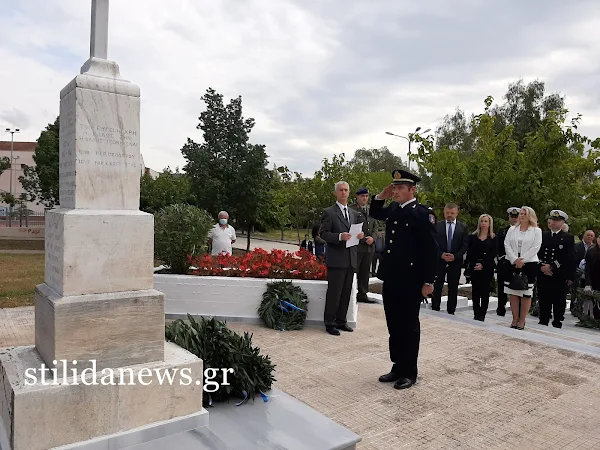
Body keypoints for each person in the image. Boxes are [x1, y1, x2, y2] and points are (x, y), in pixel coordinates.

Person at [369, 169, 438, 390]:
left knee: (409, 326)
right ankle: (397, 366)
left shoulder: (422, 214)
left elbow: (430, 250)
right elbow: (375, 212)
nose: (396, 191)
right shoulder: (394, 210)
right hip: (391, 276)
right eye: (394, 187)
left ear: (412, 190)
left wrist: (429, 281)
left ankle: (410, 372)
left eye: (400, 188)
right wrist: (382, 195)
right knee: (394, 324)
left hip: (411, 280)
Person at [319, 181, 364, 335]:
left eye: (346, 190)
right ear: (335, 193)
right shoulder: (329, 212)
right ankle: (329, 322)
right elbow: (323, 234)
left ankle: (341, 321)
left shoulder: (353, 213)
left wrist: (360, 236)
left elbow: (354, 233)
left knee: (346, 292)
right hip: (336, 259)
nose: (344, 193)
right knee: (334, 293)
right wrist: (339, 236)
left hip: (350, 258)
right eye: (341, 190)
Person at [503, 206, 542, 330]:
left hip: (529, 264)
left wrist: (522, 260)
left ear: (530, 215)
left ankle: (522, 320)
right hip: (512, 262)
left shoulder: (536, 230)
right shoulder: (512, 229)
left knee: (526, 293)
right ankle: (514, 318)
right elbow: (507, 244)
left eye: (524, 213)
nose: (522, 215)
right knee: (513, 292)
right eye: (521, 213)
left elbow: (536, 247)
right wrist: (515, 259)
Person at [536, 210, 575, 328]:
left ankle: (557, 320)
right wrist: (541, 266)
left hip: (558, 274)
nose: (554, 223)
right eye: (552, 220)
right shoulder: (543, 235)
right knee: (543, 297)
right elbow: (537, 252)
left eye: (557, 221)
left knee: (558, 298)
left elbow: (568, 257)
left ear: (562, 222)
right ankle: (543, 318)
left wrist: (552, 266)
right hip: (543, 273)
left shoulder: (567, 238)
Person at [431, 203, 469, 314]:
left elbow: (465, 245)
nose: (449, 215)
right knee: (437, 286)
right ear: (444, 212)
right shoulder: (437, 226)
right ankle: (435, 309)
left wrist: (455, 256)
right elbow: (433, 243)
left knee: (453, 287)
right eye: (447, 213)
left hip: (455, 262)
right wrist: (441, 254)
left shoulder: (463, 227)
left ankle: (451, 311)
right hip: (440, 261)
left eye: (452, 213)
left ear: (457, 213)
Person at [464, 214, 497, 321]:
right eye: (482, 221)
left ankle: (482, 314)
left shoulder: (493, 238)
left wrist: (484, 265)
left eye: (486, 221)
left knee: (485, 292)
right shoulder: (472, 237)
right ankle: (476, 313)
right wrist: (471, 266)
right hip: (474, 268)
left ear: (489, 223)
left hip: (487, 269)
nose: (483, 223)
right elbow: (469, 254)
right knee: (475, 291)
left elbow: (493, 254)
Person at [349, 187, 377, 303]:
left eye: (366, 196)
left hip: (369, 248)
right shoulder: (352, 209)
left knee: (365, 272)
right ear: (357, 197)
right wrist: (364, 238)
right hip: (358, 246)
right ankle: (351, 293)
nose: (365, 198)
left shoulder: (372, 210)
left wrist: (373, 238)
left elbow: (376, 227)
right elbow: (351, 227)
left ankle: (363, 294)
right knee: (354, 270)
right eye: (362, 196)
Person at [496, 207, 520, 316]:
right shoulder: (503, 231)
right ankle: (501, 309)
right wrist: (500, 258)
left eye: (516, 217)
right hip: (504, 263)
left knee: (517, 288)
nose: (514, 219)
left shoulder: (524, 231)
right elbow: (498, 247)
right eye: (512, 217)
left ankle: (517, 312)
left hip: (518, 263)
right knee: (502, 287)